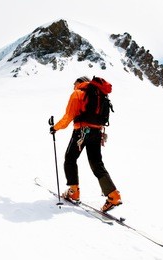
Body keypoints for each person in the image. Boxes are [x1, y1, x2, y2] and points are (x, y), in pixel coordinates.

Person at [50, 76, 122, 212]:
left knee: (70, 159)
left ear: (79, 82)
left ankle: (74, 191)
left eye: (74, 84)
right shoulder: (100, 95)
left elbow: (68, 117)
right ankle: (113, 195)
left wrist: (55, 128)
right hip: (97, 132)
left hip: (81, 132)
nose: (73, 86)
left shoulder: (78, 93)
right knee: (96, 163)